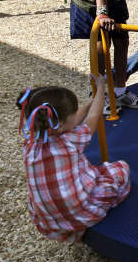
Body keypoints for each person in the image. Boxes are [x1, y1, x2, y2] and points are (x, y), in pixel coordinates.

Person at [17, 74, 130, 243]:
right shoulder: (71, 140)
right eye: (74, 113)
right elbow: (94, 116)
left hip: (48, 222)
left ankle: (66, 225)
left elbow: (74, 119)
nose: (77, 115)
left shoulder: (30, 142)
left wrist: (89, 103)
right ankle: (81, 219)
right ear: (60, 125)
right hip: (81, 215)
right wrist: (101, 88)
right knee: (121, 168)